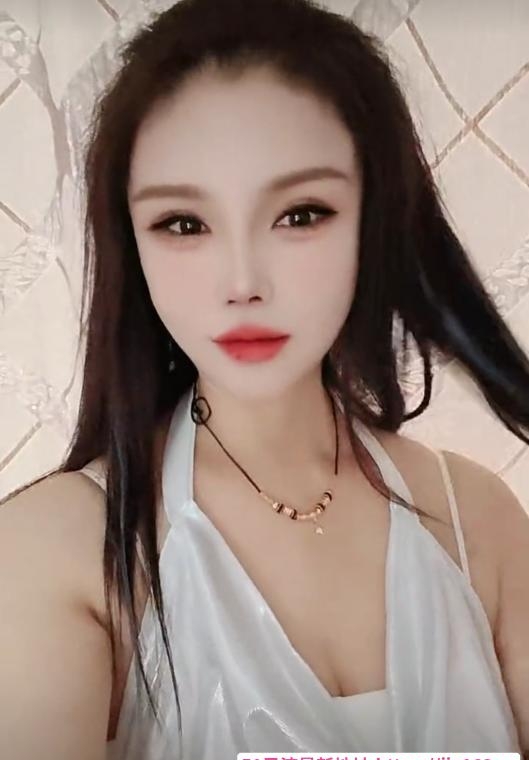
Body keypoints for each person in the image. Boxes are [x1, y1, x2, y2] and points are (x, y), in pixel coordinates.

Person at [0, 0, 528, 757]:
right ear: (131, 244)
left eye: (300, 214)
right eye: (184, 223)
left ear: (374, 218)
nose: (243, 282)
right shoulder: (55, 550)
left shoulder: (478, 521)